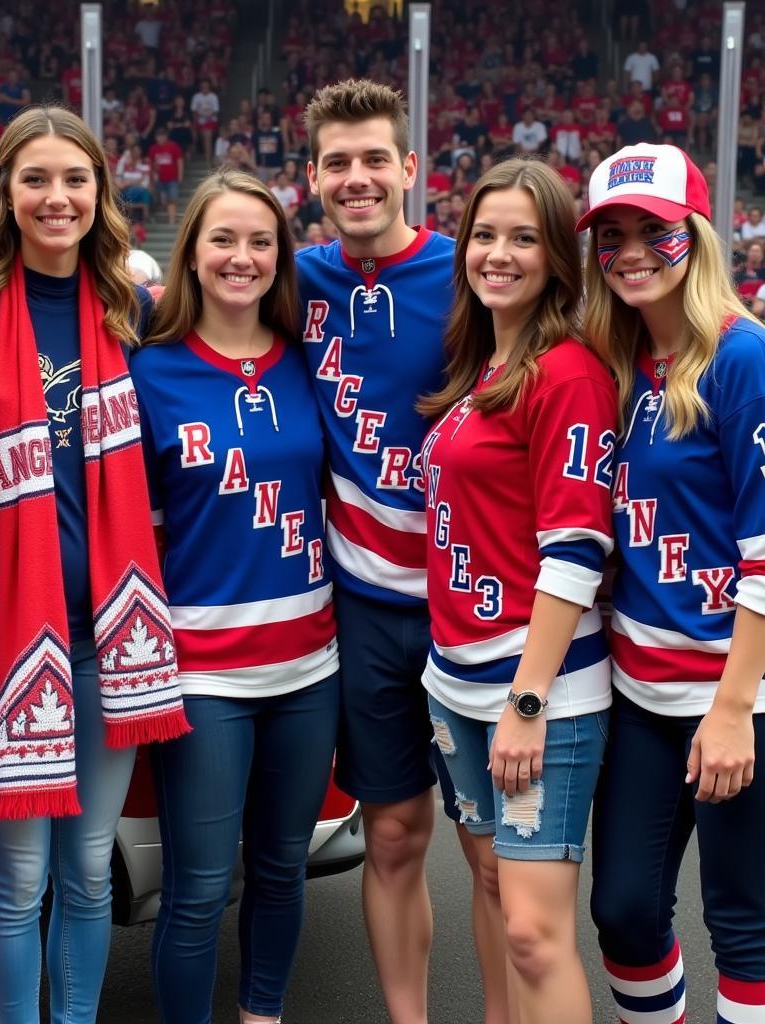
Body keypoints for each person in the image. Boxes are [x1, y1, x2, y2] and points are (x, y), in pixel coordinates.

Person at [0, 105, 190, 1024]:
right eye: (36, 180)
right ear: (6, 193)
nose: (57, 198)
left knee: (89, 868)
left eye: (75, 180)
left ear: (102, 192)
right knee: (18, 874)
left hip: (110, 633)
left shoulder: (135, 314)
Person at [297, 79, 506, 1024]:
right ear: (312, 175)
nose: (357, 178)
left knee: (494, 854)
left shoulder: (474, 273)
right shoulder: (294, 279)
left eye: (375, 158)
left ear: (410, 169)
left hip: (472, 602)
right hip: (364, 606)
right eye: (338, 162)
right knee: (390, 835)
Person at [132, 167, 340, 1024]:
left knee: (284, 868)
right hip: (203, 674)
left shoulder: (310, 362)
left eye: (261, 241)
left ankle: (263, 1015)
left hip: (309, 667)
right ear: (191, 253)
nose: (242, 257)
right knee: (198, 887)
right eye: (223, 238)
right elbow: (133, 532)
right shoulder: (151, 373)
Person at [420, 159, 616, 1024]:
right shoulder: (478, 368)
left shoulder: (567, 372)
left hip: (537, 688)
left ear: (557, 259)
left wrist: (527, 702)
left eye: (524, 238)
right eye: (485, 235)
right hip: (456, 681)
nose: (499, 254)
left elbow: (576, 551)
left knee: (536, 932)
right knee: (497, 892)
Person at [579, 143, 765, 1024]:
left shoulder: (742, 357)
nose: (630, 251)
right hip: (640, 696)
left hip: (737, 696)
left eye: (653, 230)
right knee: (623, 911)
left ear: (694, 232)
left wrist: (734, 707)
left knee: (745, 924)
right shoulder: (612, 368)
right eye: (611, 235)